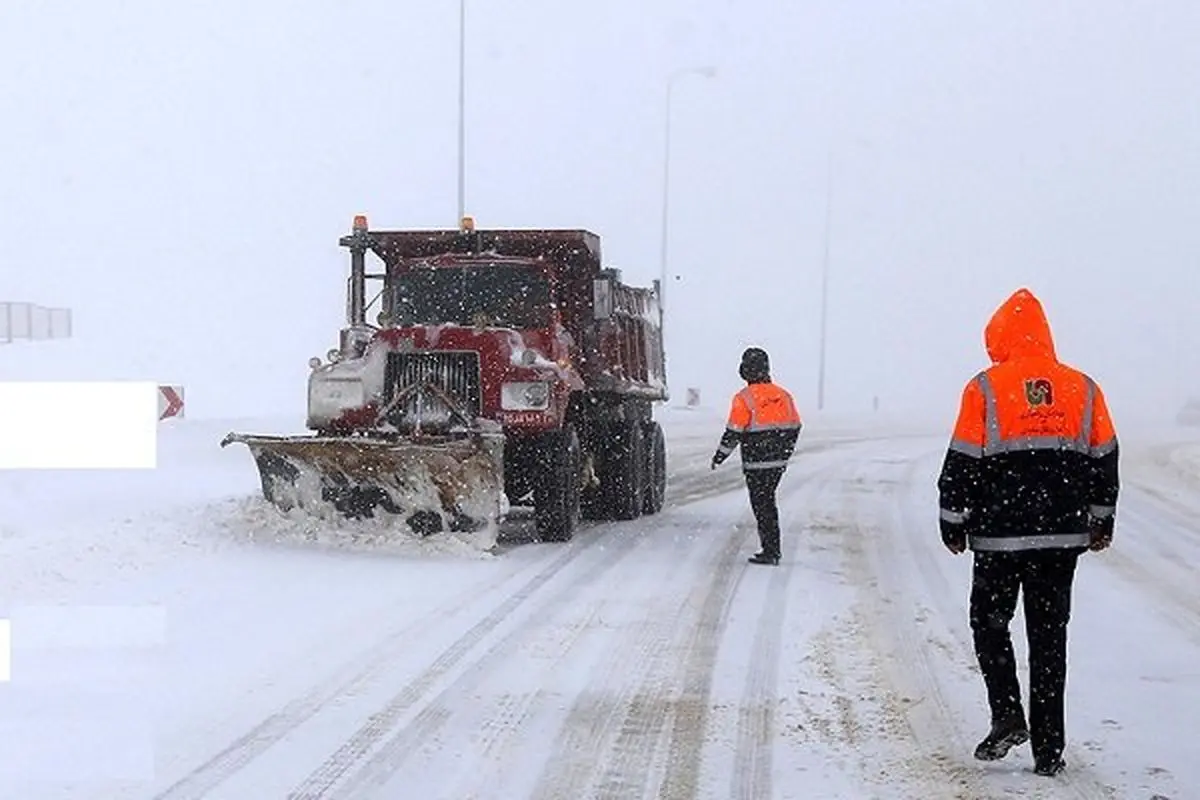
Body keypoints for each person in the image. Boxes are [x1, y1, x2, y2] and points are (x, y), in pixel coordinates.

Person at [937, 287, 1119, 777]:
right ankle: (1049, 751)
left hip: (998, 539)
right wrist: (1101, 519)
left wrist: (952, 521)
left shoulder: (986, 388)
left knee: (990, 625)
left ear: (1000, 337)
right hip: (1061, 540)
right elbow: (1105, 459)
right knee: (1049, 638)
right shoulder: (1084, 388)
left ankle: (1007, 714)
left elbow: (962, 461)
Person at [711, 347, 803, 565]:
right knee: (768, 502)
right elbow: (795, 425)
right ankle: (772, 548)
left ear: (744, 371)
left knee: (762, 505)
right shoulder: (784, 395)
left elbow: (733, 432)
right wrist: (784, 452)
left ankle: (771, 550)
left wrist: (720, 456)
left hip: (755, 464)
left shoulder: (743, 398)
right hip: (777, 463)